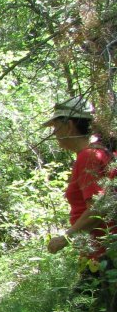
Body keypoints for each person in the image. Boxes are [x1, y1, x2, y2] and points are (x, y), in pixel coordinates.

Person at [42, 96, 113, 261]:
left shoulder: (89, 156)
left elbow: (98, 208)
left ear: (69, 126)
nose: (54, 133)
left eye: (56, 126)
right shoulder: (101, 152)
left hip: (104, 255)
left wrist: (65, 238)